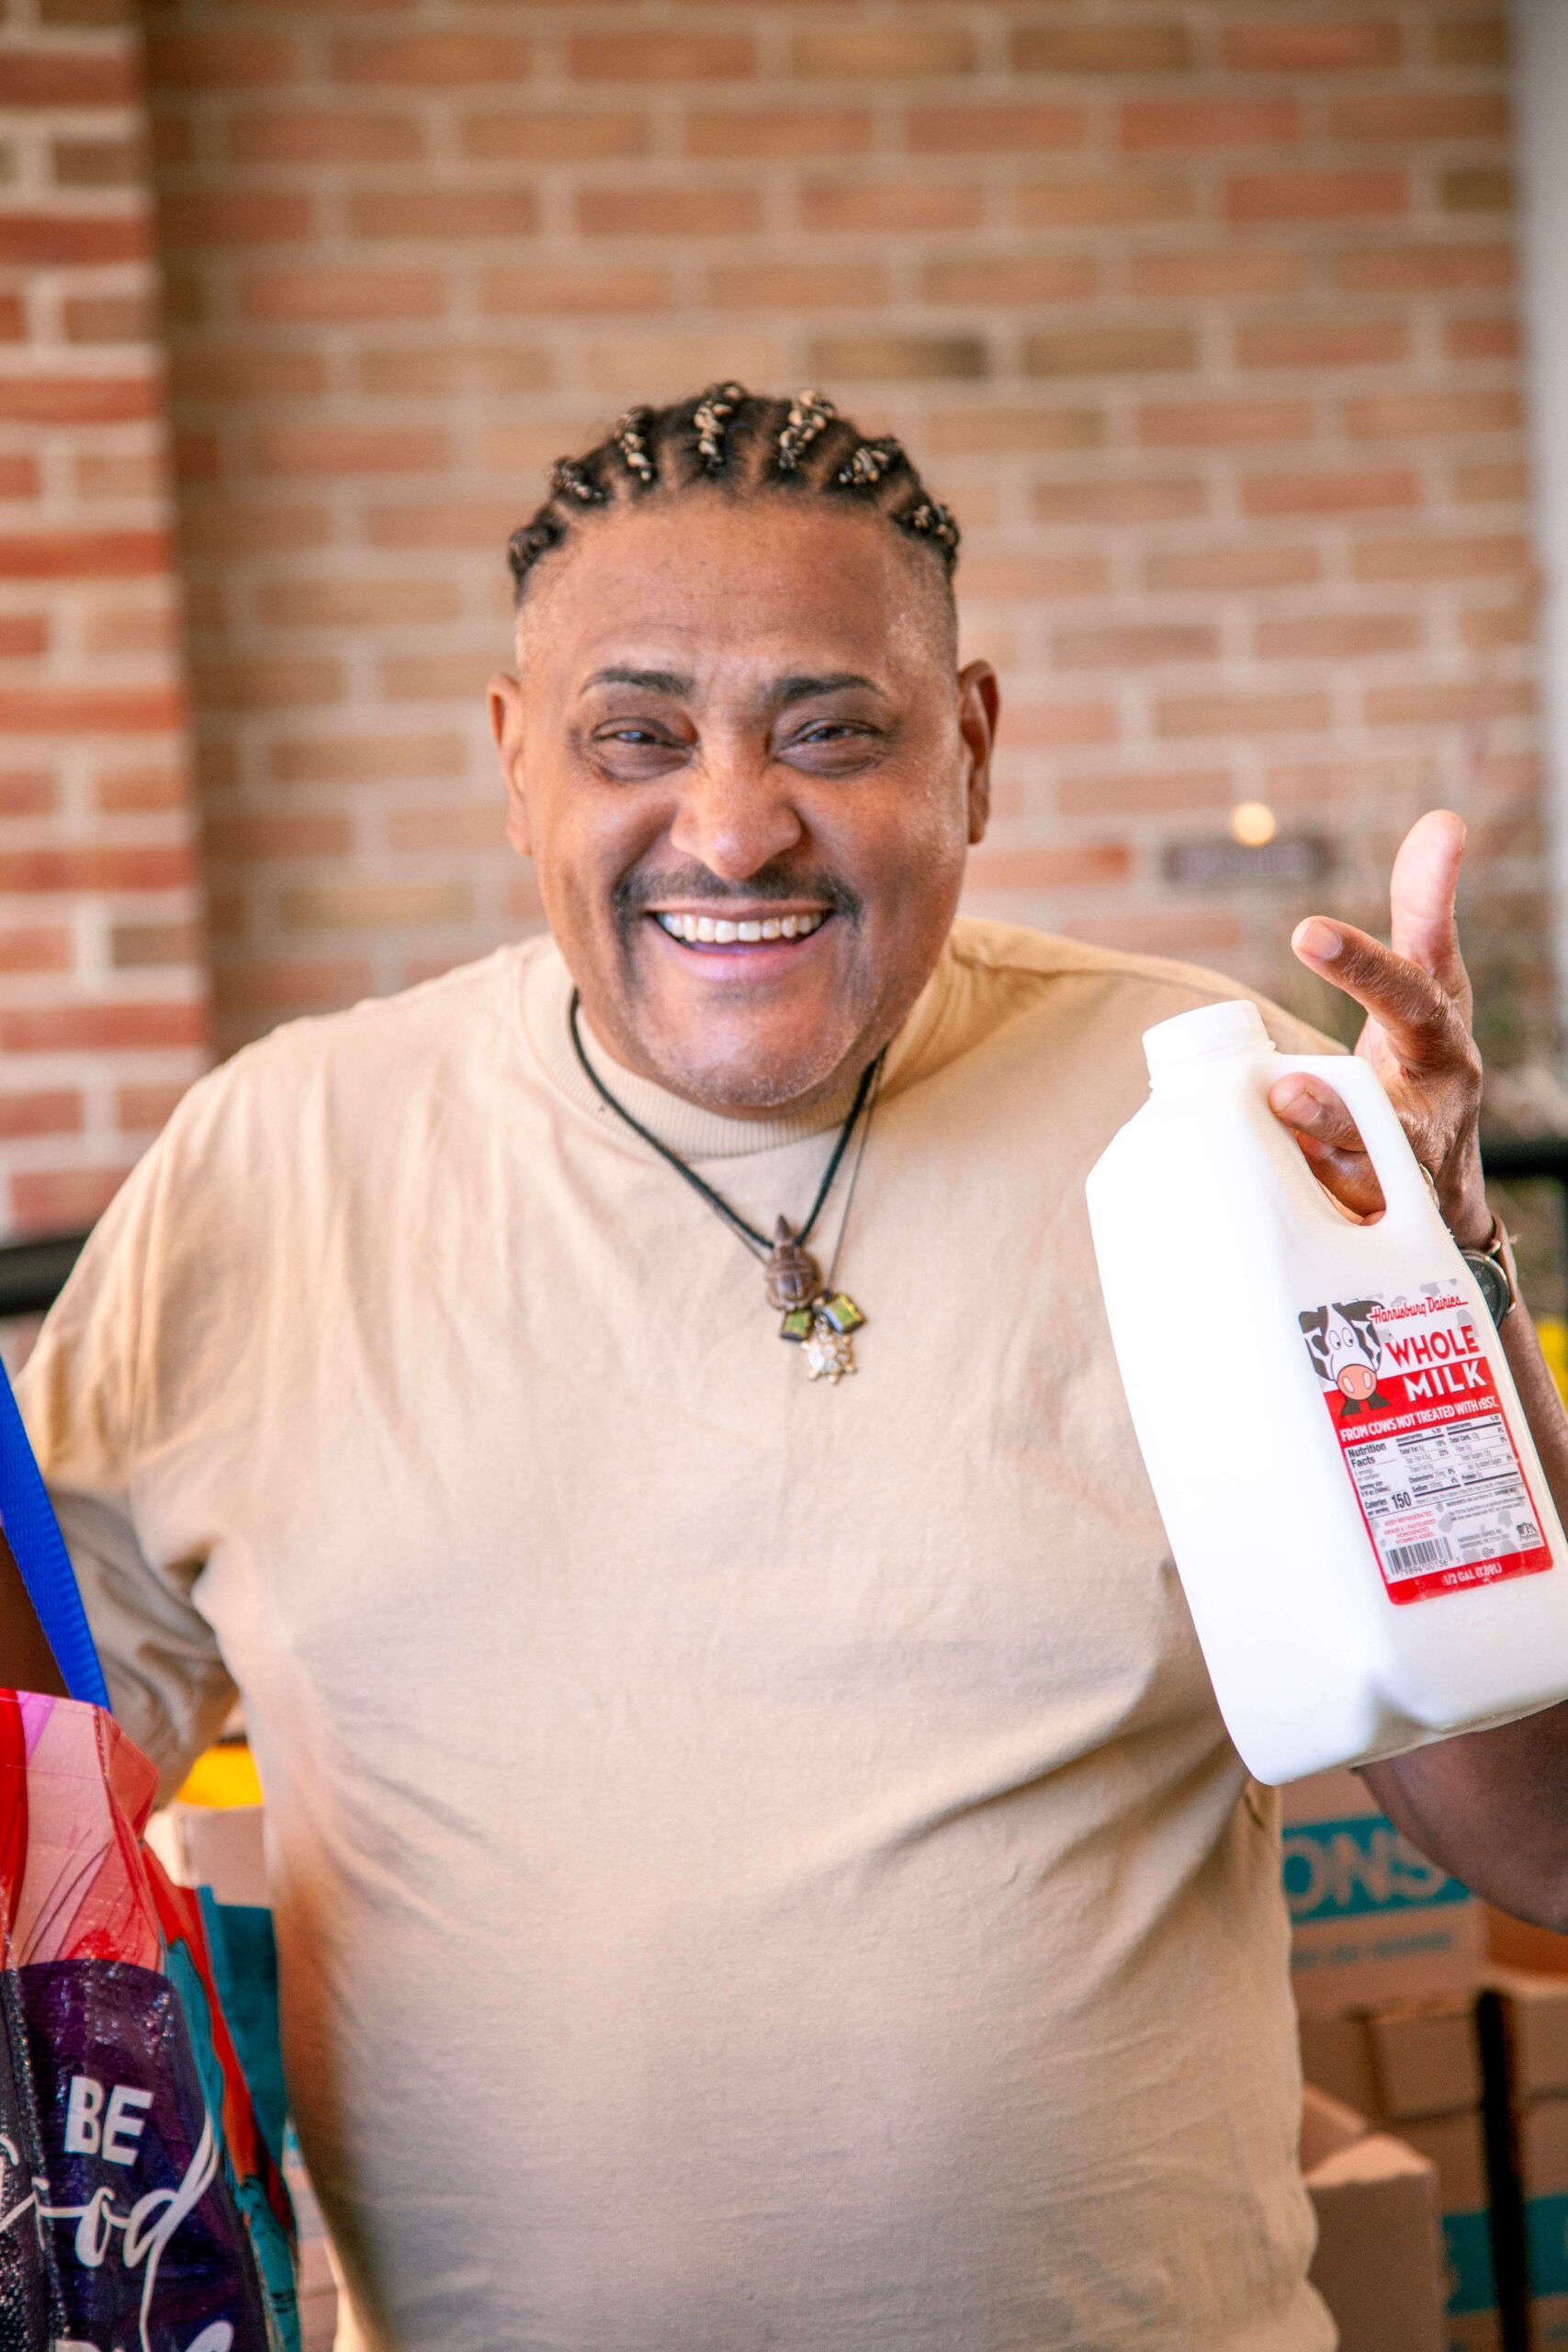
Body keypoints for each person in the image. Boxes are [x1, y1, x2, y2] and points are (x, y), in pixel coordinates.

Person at [7, 381, 1568, 2352]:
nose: (732, 821)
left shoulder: (1211, 1119)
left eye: (829, 729)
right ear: (513, 762)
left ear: (971, 747)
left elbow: (1542, 1840)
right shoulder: (276, 1164)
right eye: (633, 735)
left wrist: (1445, 1305)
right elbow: (33, 1804)